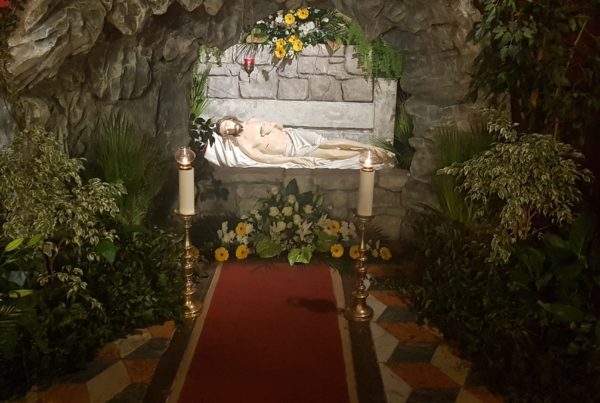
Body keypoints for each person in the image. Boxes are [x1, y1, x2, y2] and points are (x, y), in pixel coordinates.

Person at [208, 116, 392, 169]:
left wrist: (271, 126)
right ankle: (365, 155)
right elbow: (267, 159)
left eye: (227, 125)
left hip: (293, 135)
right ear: (227, 136)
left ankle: (368, 147)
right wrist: (292, 160)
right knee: (329, 153)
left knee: (328, 142)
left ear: (230, 119)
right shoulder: (243, 144)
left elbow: (279, 125)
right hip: (291, 150)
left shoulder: (253, 121)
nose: (229, 129)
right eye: (226, 131)